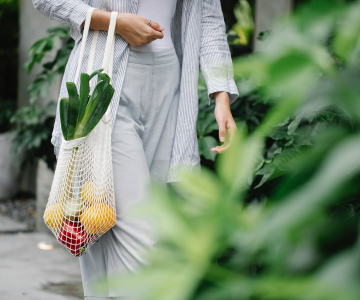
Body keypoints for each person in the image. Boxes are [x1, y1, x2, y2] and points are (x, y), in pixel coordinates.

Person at [33, 0, 239, 299]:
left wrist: (221, 95)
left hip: (169, 85)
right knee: (140, 235)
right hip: (105, 82)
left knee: (102, 226)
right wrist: (114, 21)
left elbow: (207, 16)